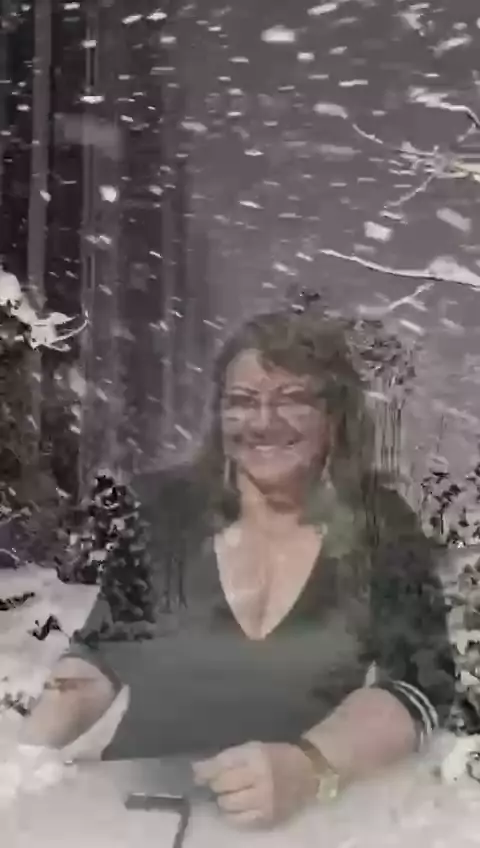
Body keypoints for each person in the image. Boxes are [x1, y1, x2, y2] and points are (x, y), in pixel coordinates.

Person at [20, 309, 455, 827]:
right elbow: (98, 656)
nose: (263, 421)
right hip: (140, 813)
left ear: (336, 415)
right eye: (243, 401)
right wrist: (24, 756)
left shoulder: (383, 526)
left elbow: (419, 686)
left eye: (292, 400)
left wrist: (310, 765)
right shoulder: (166, 509)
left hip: (303, 824)